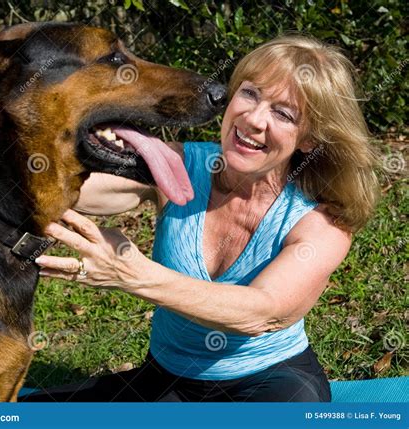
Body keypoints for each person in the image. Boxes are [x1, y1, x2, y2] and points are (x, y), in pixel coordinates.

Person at [24, 35, 379, 402]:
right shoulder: (180, 165)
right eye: (250, 94)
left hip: (273, 386)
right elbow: (74, 188)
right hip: (165, 380)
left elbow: (262, 312)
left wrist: (133, 274)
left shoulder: (321, 219)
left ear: (309, 139)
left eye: (283, 114)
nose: (254, 119)